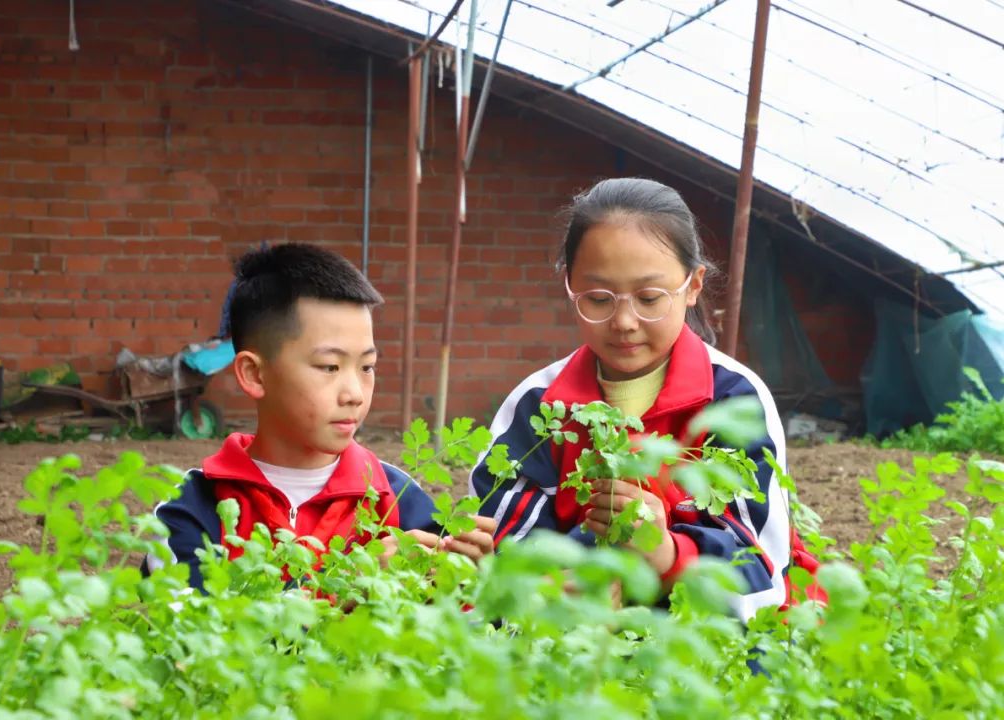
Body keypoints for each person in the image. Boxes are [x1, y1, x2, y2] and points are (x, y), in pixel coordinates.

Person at [469, 178, 822, 621]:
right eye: (597, 299)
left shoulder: (734, 401)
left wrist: (665, 554)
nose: (624, 321)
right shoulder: (540, 405)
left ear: (693, 286)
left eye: (650, 298)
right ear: (569, 285)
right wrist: (557, 582)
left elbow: (760, 574)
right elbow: (502, 528)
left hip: (695, 624)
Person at [145, 242, 494, 591]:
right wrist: (345, 588)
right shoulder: (189, 511)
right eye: (329, 367)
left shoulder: (398, 498)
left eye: (368, 367)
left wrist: (472, 582)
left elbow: (458, 632)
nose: (354, 394)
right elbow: (194, 639)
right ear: (253, 374)